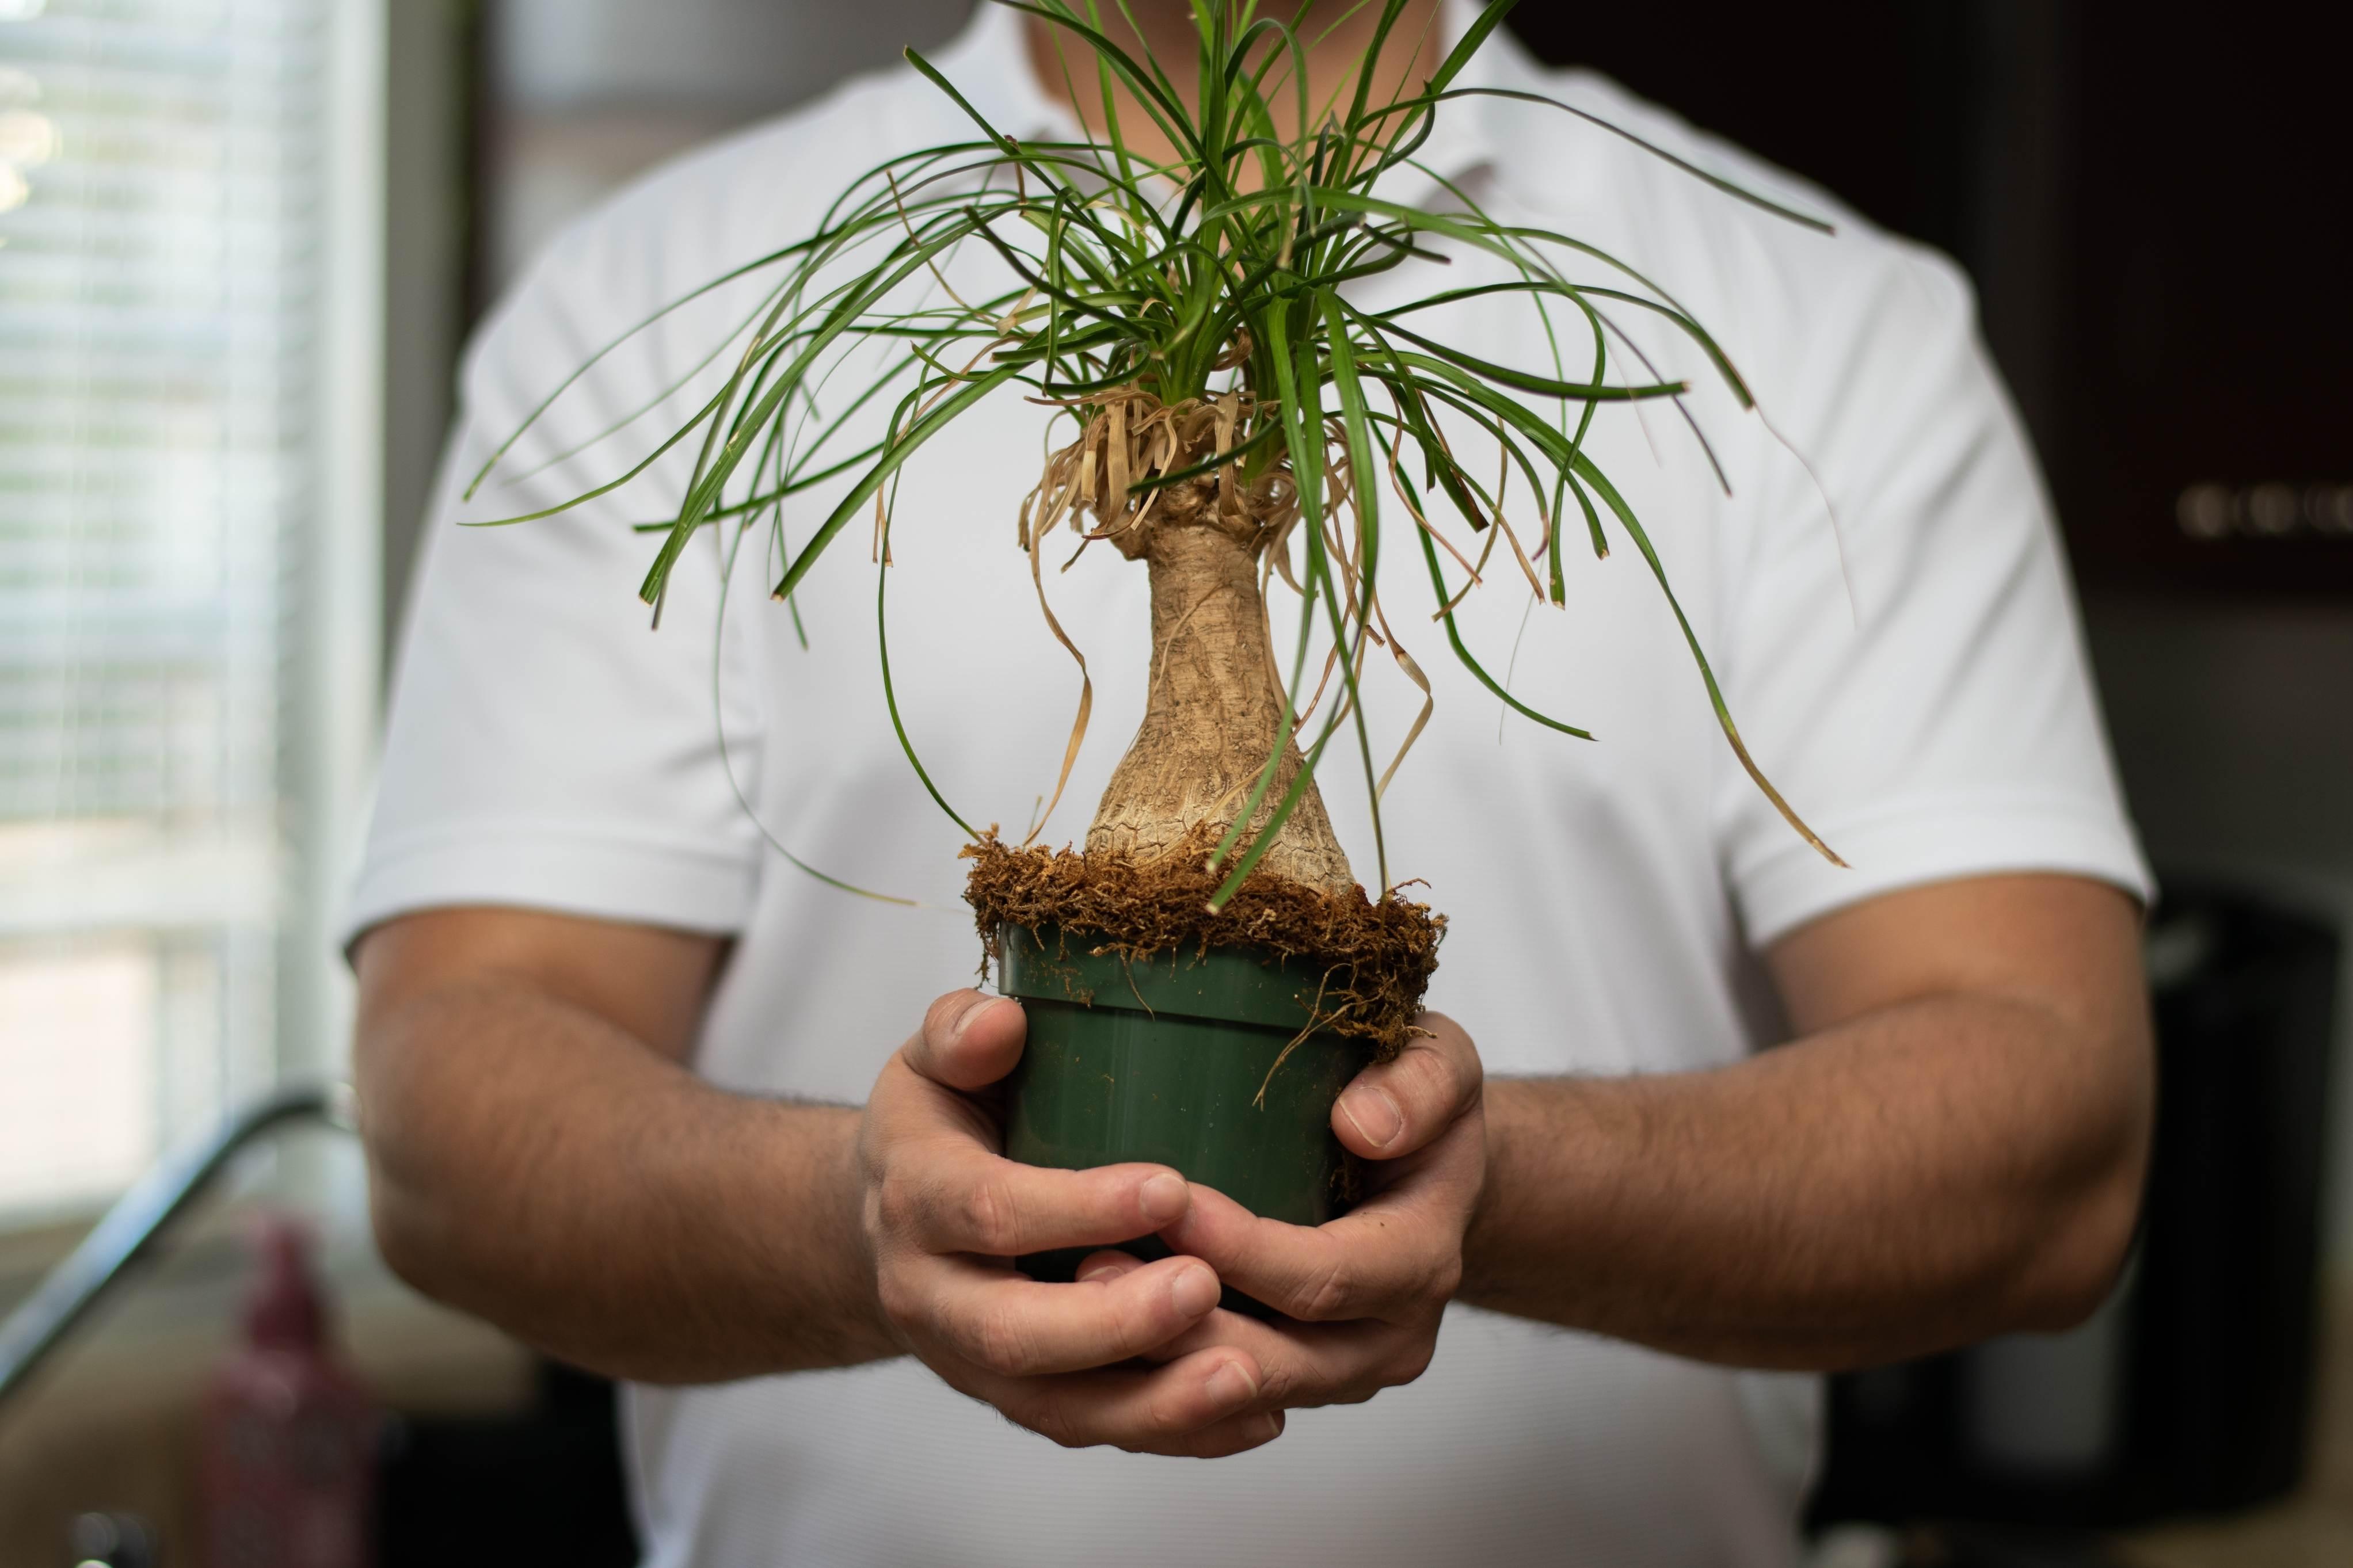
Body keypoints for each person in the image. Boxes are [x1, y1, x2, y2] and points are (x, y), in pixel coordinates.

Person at [346, 3, 2154, 1563]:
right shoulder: (664, 300)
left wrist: (1489, 1183)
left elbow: (2054, 1141)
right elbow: (446, 1121)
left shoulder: (1819, 328)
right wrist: (864, 1223)